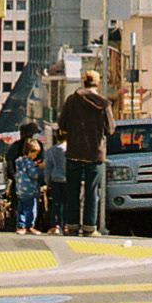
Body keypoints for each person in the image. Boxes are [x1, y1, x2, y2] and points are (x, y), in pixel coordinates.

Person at [58, 69, 115, 236]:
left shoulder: (71, 100)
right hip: (95, 153)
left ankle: (72, 226)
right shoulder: (104, 104)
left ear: (84, 82)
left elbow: (62, 125)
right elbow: (110, 129)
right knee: (92, 191)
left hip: (74, 151)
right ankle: (90, 228)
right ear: (97, 84)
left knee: (72, 190)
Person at [14, 137, 43, 233]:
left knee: (21, 209)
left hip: (20, 191)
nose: (36, 156)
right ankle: (29, 226)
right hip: (30, 191)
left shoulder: (20, 161)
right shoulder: (29, 163)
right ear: (30, 152)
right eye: (35, 154)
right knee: (30, 209)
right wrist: (39, 168)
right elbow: (33, 174)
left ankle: (20, 226)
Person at [43, 127, 67, 234]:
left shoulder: (51, 151)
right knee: (68, 204)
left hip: (55, 180)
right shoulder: (71, 149)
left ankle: (56, 226)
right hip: (68, 180)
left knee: (55, 204)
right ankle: (67, 225)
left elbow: (48, 167)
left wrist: (47, 181)